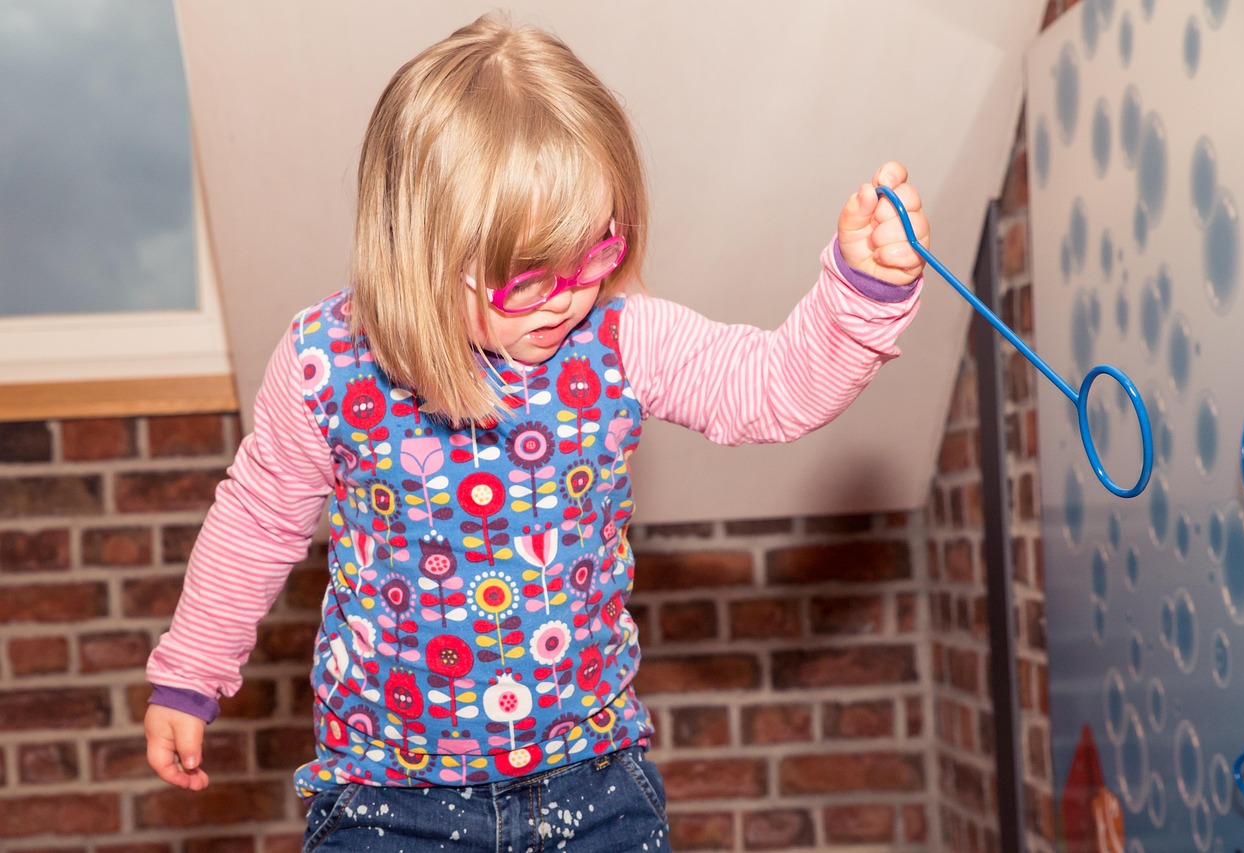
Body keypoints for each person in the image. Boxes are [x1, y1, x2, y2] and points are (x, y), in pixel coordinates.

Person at [144, 10, 930, 851]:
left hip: (591, 783)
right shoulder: (327, 364)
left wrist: (863, 292)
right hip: (389, 798)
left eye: (593, 249)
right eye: (529, 273)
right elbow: (257, 522)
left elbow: (771, 388)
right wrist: (189, 674)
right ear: (419, 251)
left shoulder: (622, 340)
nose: (567, 295)